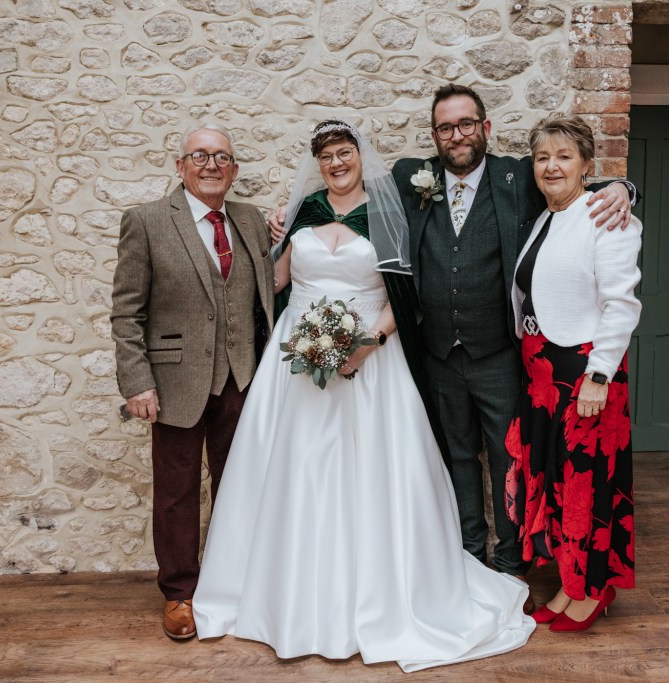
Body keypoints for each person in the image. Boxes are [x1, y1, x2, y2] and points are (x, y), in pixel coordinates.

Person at [192, 120, 535, 672]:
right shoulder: (302, 212)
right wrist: (267, 239)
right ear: (318, 164)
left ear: (359, 156)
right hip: (296, 363)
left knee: (371, 473)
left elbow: (406, 293)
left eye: (344, 152)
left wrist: (365, 344)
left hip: (370, 359)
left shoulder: (387, 213)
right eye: (326, 156)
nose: (336, 163)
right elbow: (275, 282)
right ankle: (286, 595)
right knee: (294, 471)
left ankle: (377, 595)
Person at [386, 84, 637, 611]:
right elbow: (354, 203)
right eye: (446, 127)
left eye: (466, 124)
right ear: (434, 135)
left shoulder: (517, 175)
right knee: (455, 455)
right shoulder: (411, 178)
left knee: (511, 458)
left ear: (485, 127)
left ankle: (510, 562)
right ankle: (467, 553)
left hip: (500, 354)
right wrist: (292, 222)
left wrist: (626, 188)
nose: (457, 135)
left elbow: (573, 180)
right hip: (439, 353)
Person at [111, 123, 275, 641]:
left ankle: (235, 583)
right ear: (179, 165)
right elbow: (127, 311)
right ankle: (179, 593)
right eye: (199, 156)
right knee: (176, 492)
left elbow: (268, 290)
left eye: (221, 157)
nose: (211, 165)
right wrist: (137, 382)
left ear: (235, 169)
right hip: (174, 382)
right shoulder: (147, 220)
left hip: (242, 377)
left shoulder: (251, 220)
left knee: (240, 485)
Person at [506, 115, 641, 632]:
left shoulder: (607, 215)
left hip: (584, 373)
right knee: (559, 484)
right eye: (542, 158)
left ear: (587, 164)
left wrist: (599, 376)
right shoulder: (547, 217)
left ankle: (595, 589)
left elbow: (621, 305)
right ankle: (570, 583)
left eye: (564, 156)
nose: (551, 166)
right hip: (544, 377)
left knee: (587, 485)